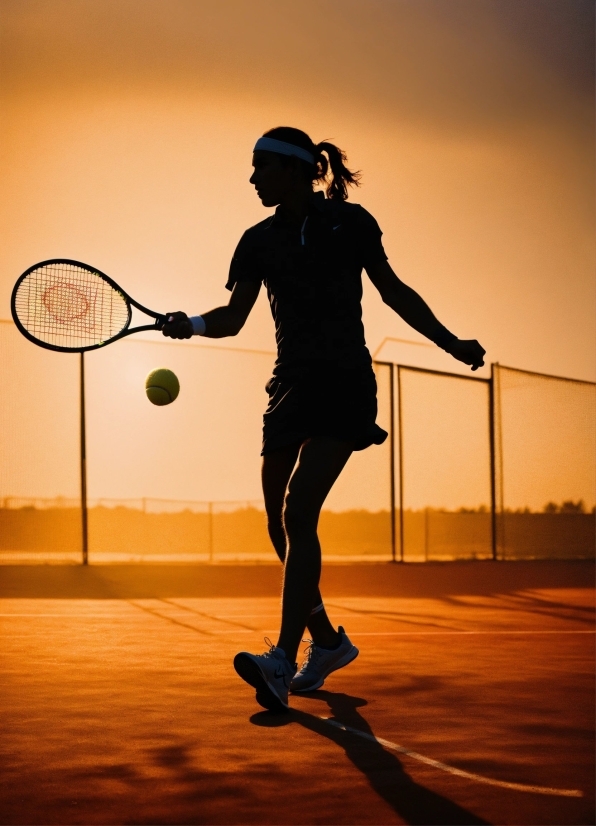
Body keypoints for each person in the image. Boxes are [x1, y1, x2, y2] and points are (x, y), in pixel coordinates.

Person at [162, 126, 485, 712]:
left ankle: (281, 659)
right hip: (289, 390)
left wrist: (449, 341)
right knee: (278, 526)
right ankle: (328, 642)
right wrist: (193, 322)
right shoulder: (256, 240)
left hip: (344, 385)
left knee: (298, 507)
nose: (253, 178)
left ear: (294, 170)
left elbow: (393, 291)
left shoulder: (352, 222)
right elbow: (234, 318)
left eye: (261, 166)